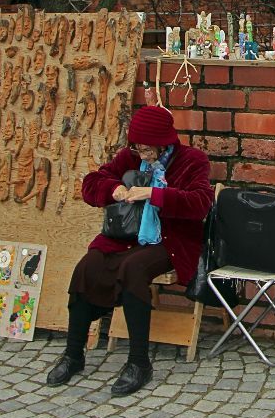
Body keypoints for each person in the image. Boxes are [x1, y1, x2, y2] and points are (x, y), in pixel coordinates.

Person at [46, 106, 212, 396]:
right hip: (125, 236)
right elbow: (91, 184)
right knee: (87, 266)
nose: (143, 155)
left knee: (132, 269)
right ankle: (74, 354)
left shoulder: (192, 161)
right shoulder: (130, 158)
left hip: (169, 239)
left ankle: (138, 362)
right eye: (138, 148)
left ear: (164, 143)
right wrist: (115, 190)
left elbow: (200, 203)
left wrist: (154, 194)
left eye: (148, 150)